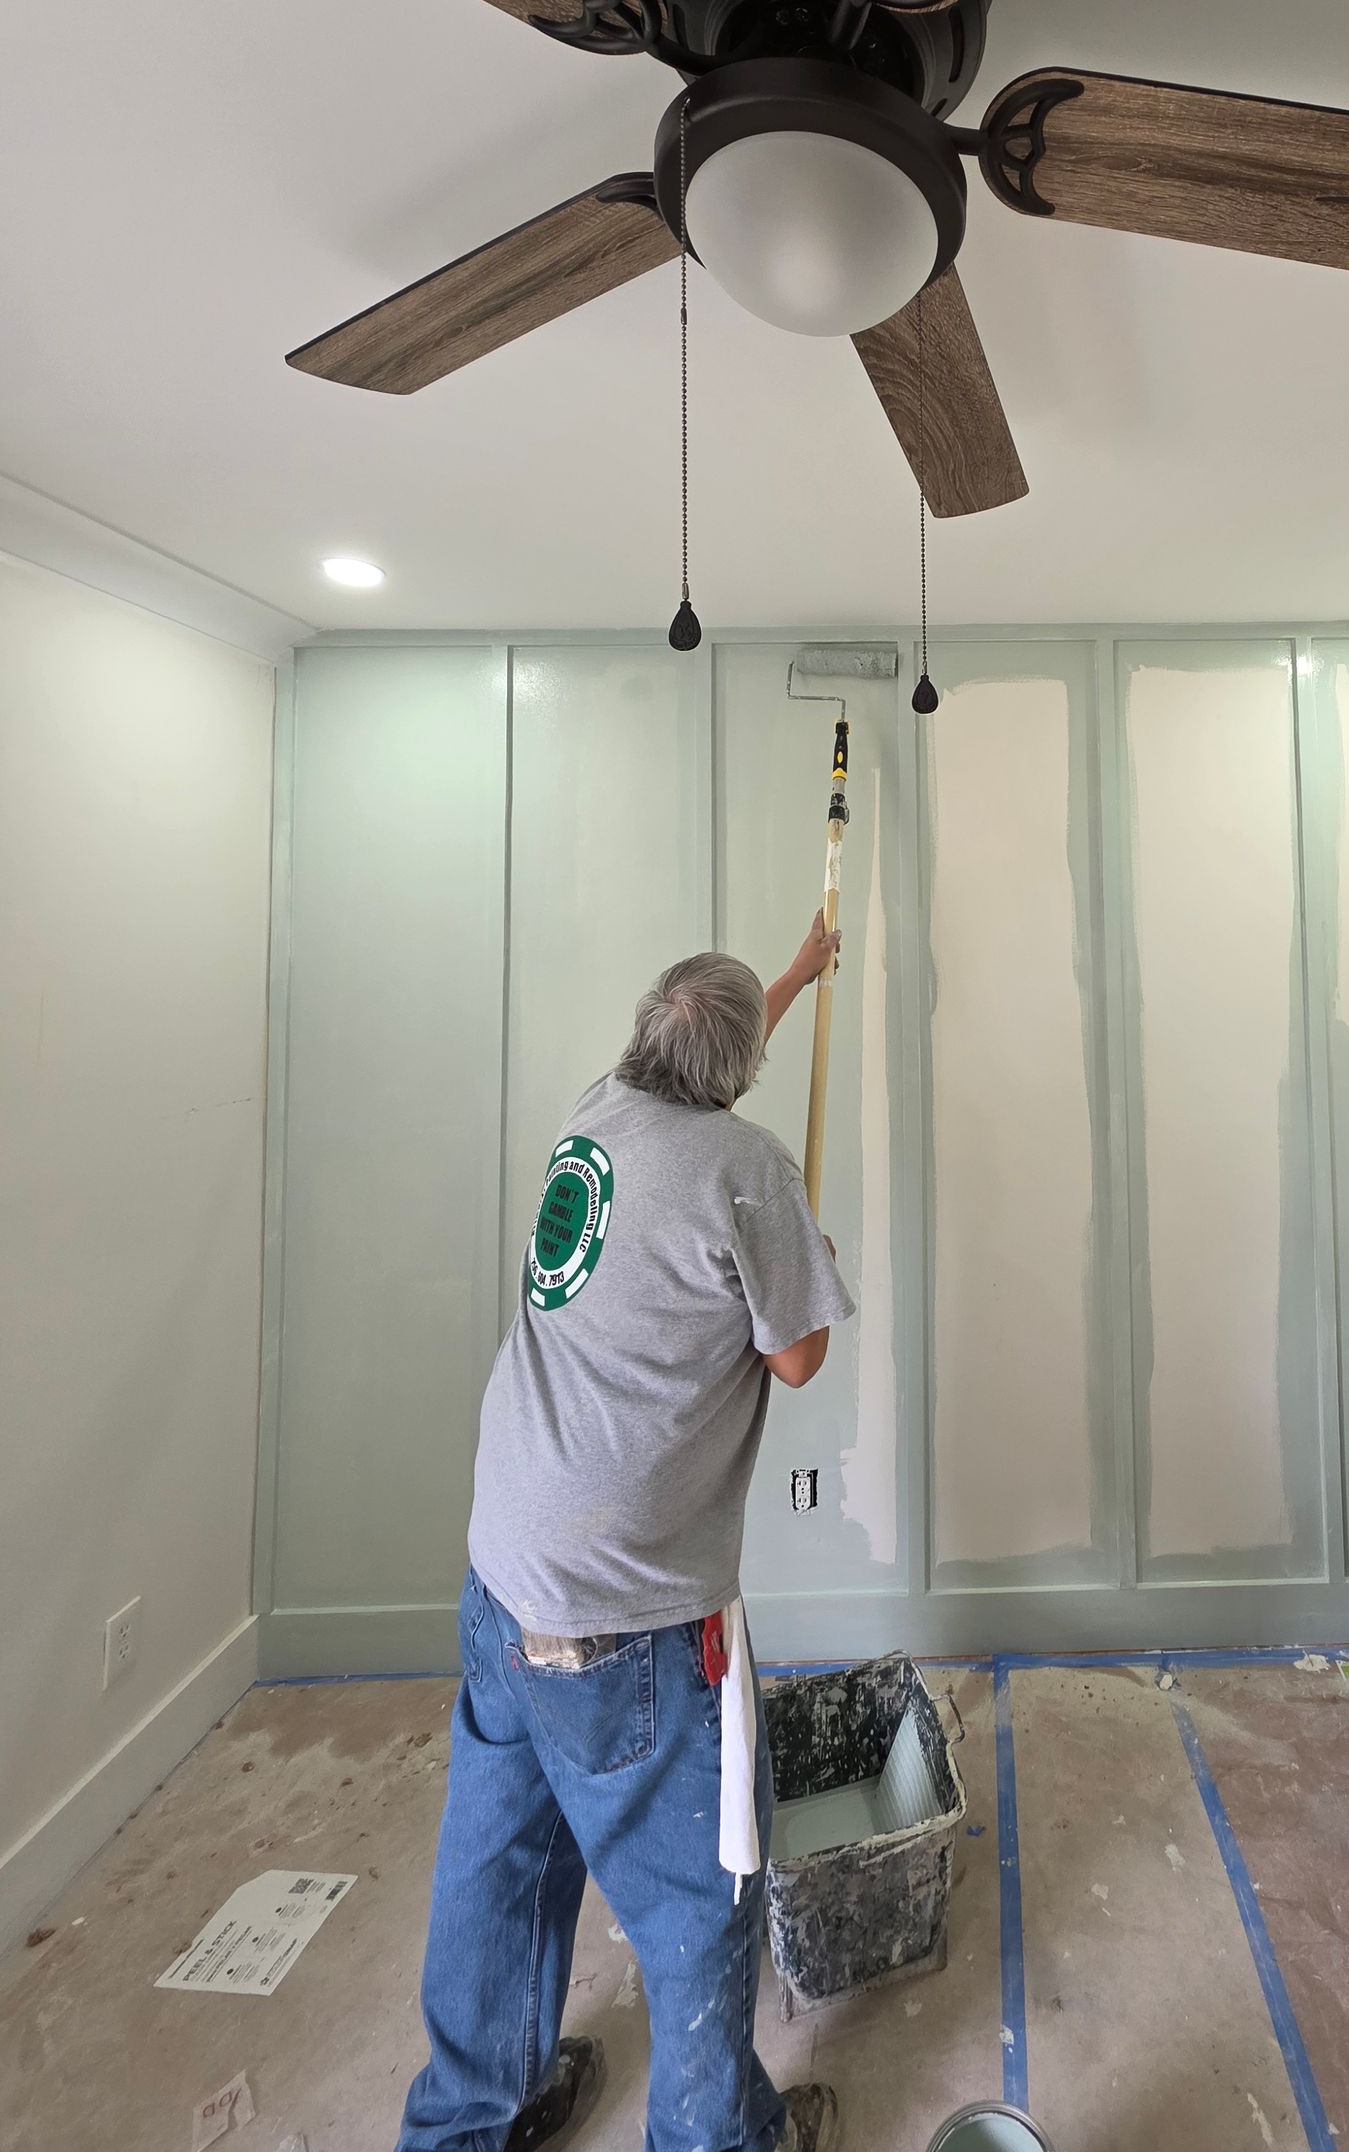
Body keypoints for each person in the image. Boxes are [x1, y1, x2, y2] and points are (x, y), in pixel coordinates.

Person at [396, 922, 852, 2152]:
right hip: (628, 1620)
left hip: (507, 1578)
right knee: (703, 1898)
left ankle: (463, 2122)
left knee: (498, 1865)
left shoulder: (597, 1111)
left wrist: (796, 972)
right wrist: (805, 1255)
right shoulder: (748, 1168)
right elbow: (798, 1359)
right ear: (737, 1073)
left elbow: (715, 1040)